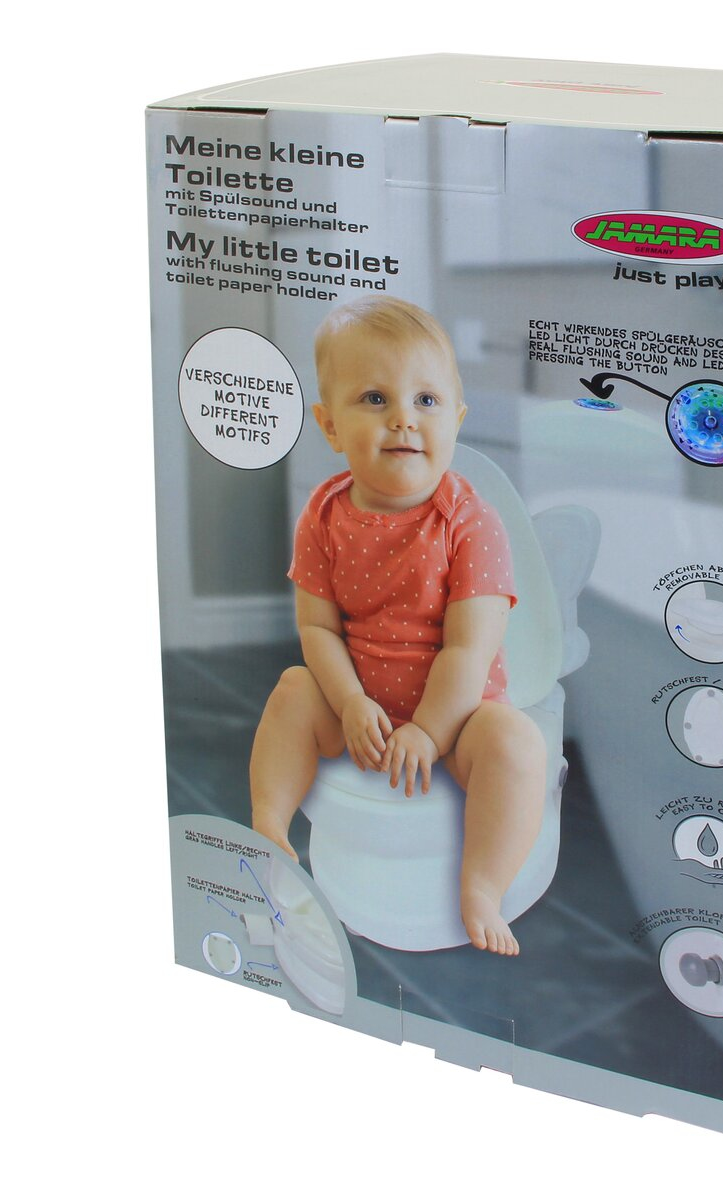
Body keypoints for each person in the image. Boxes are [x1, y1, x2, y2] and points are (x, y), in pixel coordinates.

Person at [251, 297, 545, 956]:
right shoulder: (323, 515)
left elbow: (469, 649)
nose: (404, 418)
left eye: (427, 401)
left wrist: (431, 732)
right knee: (293, 689)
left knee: (517, 744)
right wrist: (350, 702)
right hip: (359, 704)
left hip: (458, 715)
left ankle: (482, 886)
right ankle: (268, 825)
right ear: (330, 425)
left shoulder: (470, 521)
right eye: (375, 398)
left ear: (457, 419)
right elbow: (318, 630)